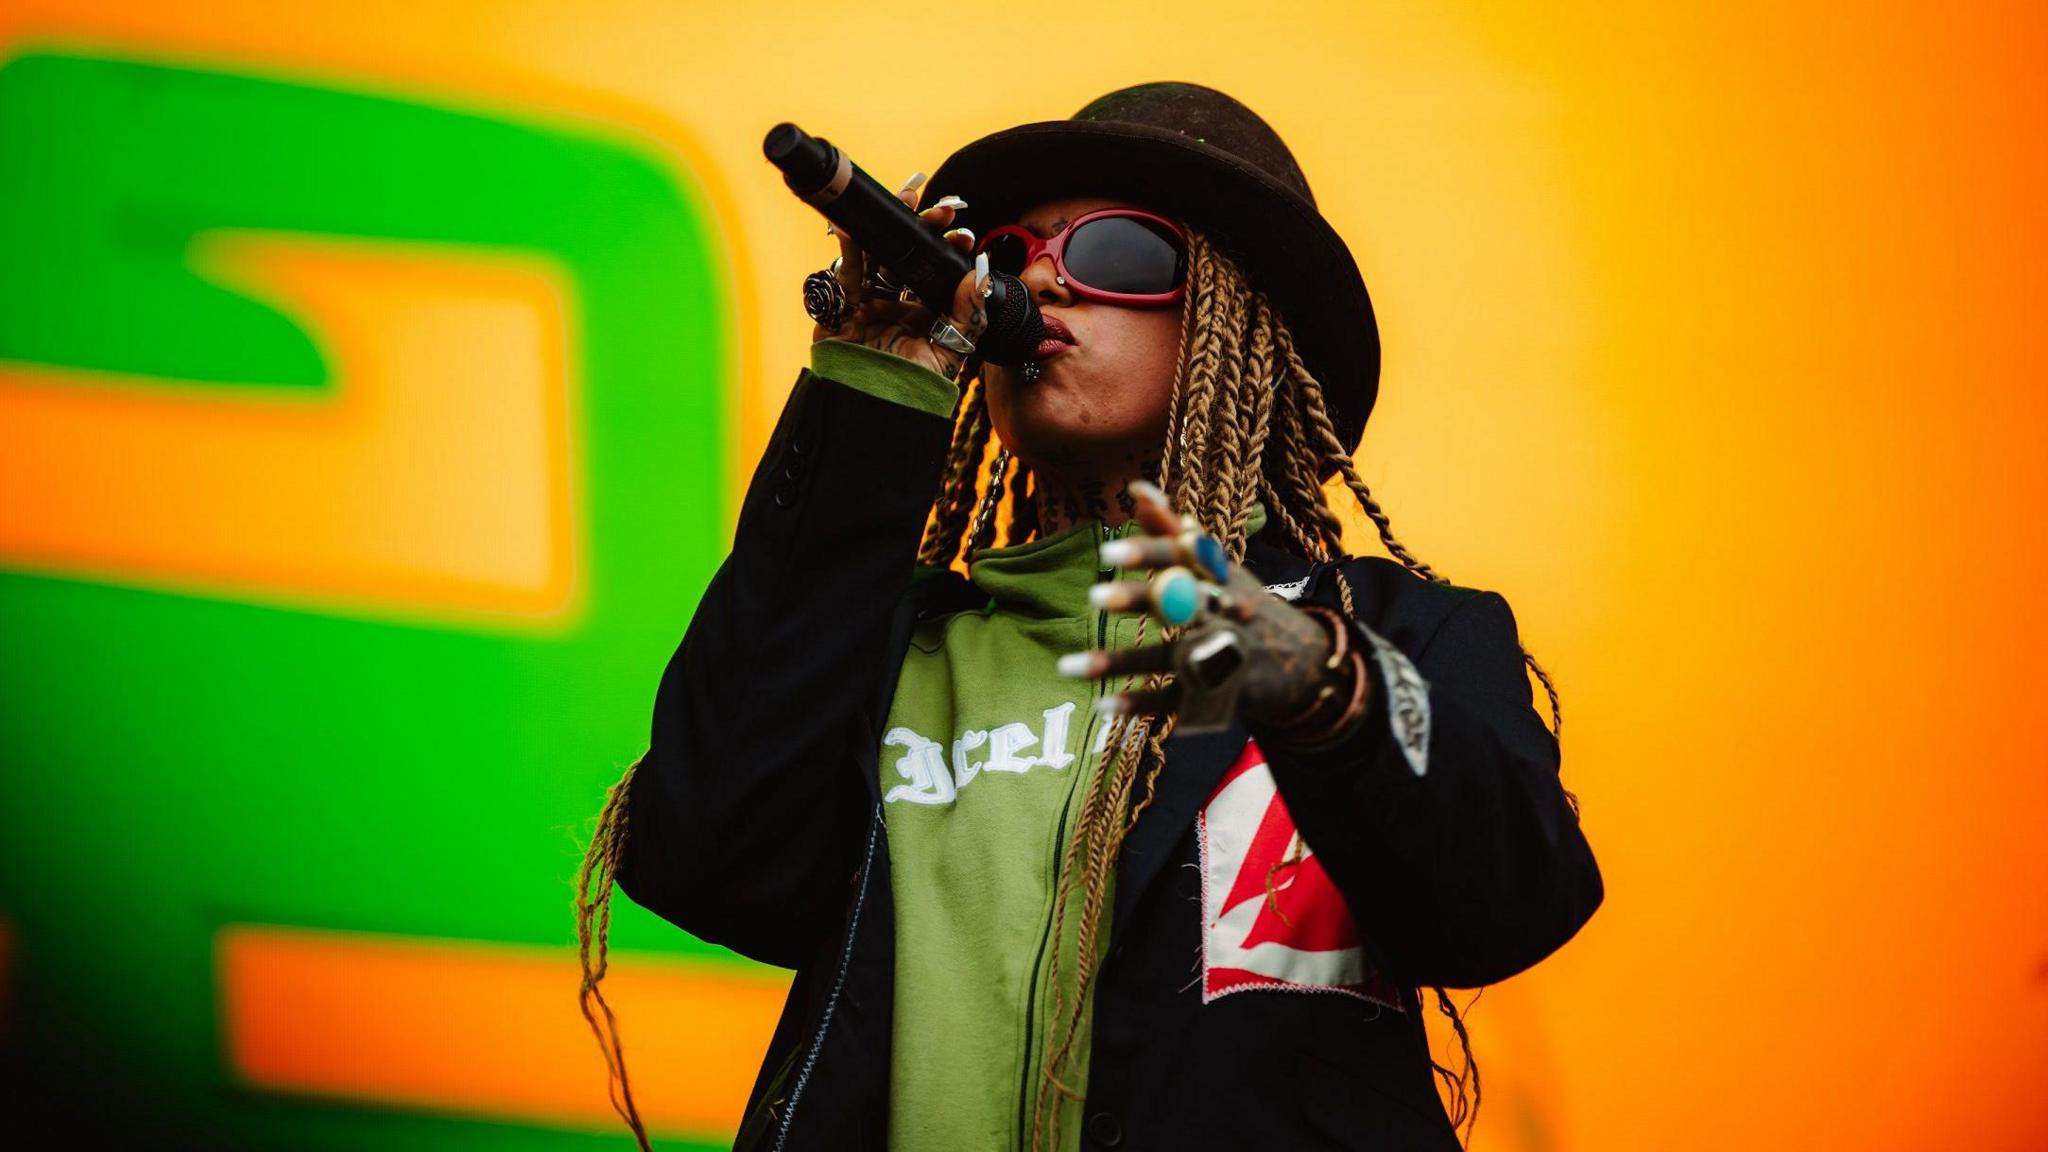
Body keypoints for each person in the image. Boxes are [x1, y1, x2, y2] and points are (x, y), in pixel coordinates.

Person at [574, 82, 1603, 1152]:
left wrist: (1327, 695)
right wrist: (869, 394)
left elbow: (1504, 906)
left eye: (1117, 253)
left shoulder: (1397, 640)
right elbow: (707, 862)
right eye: (1011, 250)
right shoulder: (900, 653)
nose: (1036, 280)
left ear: (1238, 325)